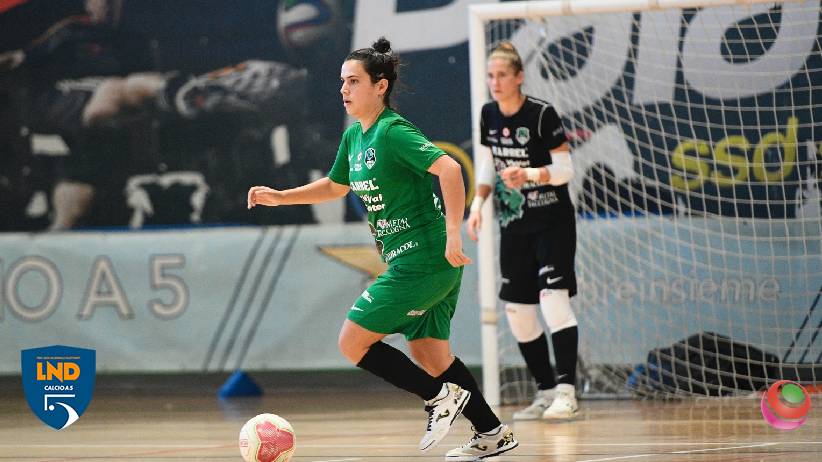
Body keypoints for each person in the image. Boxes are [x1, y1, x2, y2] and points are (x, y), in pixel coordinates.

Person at [248, 37, 518, 460]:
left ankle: (438, 398)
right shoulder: (355, 137)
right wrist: (282, 197)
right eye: (342, 81)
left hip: (424, 259)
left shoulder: (393, 132)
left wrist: (453, 231)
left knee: (352, 342)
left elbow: (449, 168)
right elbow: (335, 186)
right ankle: (492, 432)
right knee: (431, 354)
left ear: (380, 86)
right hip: (421, 263)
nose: (344, 89)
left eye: (353, 81)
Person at [467, 42, 580, 421]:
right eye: (490, 76)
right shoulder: (488, 114)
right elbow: (489, 164)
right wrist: (477, 205)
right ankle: (545, 392)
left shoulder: (542, 115)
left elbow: (565, 170)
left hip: (552, 222)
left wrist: (529, 174)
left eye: (502, 75)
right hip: (514, 224)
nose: (495, 82)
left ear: (519, 77)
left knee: (553, 301)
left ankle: (567, 393)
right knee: (517, 311)